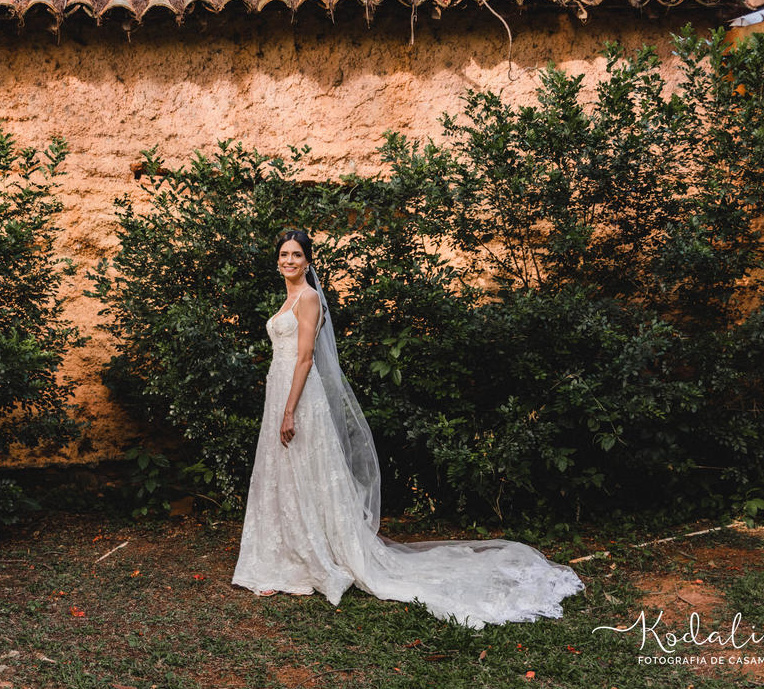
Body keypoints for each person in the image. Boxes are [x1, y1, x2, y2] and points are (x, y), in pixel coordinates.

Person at [231, 228, 586, 629]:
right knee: (285, 474)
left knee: (303, 470)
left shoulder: (309, 298)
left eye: (296, 254)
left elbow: (305, 359)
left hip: (298, 396)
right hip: (279, 392)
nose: (289, 260)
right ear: (277, 259)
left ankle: (308, 561)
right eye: (284, 254)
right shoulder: (287, 297)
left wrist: (290, 410)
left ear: (308, 261)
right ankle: (286, 557)